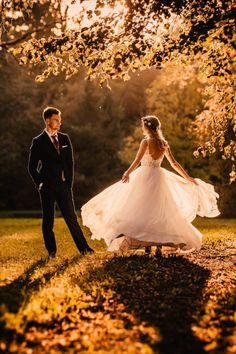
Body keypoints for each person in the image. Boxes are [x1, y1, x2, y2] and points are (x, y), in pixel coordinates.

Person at [81, 115, 220, 255]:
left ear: (147, 127)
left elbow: (137, 160)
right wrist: (188, 177)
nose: (143, 127)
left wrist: (127, 172)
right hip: (159, 177)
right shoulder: (163, 143)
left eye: (144, 125)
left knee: (140, 208)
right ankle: (157, 247)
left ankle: (147, 244)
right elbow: (174, 164)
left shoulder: (146, 142)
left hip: (144, 176)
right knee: (159, 210)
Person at [28, 107, 94, 258]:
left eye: (60, 119)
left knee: (72, 219)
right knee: (48, 220)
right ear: (47, 121)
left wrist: (69, 181)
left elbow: (69, 162)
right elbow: (31, 166)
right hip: (47, 187)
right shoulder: (38, 141)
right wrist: (40, 183)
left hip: (64, 186)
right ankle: (52, 252)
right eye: (56, 120)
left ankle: (84, 249)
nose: (59, 122)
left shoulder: (65, 138)